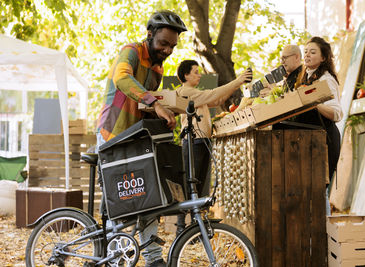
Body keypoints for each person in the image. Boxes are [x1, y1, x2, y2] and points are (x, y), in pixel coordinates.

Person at [96, 10, 187, 267]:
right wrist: (153, 102)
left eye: (172, 46)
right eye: (163, 43)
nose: (168, 50)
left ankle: (153, 258)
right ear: (150, 35)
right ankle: (115, 257)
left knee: (147, 196)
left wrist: (168, 113)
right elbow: (122, 77)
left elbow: (149, 105)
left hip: (136, 139)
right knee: (119, 200)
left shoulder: (158, 66)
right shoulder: (132, 51)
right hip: (113, 133)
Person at [175, 60, 252, 236]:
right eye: (195, 72)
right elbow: (213, 95)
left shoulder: (195, 93)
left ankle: (194, 228)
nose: (199, 74)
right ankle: (181, 229)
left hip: (200, 142)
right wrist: (238, 81)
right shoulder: (186, 92)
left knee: (199, 185)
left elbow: (217, 98)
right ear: (185, 75)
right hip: (193, 142)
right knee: (191, 185)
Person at [294, 37, 343, 215]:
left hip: (325, 141)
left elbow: (337, 113)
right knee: (309, 191)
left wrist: (314, 103)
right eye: (306, 51)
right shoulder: (304, 78)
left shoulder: (326, 80)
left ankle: (325, 236)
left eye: (313, 52)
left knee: (319, 191)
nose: (307, 54)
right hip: (310, 141)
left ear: (323, 58)